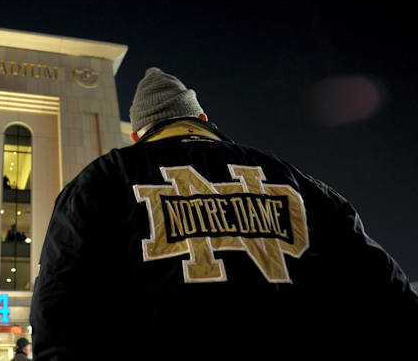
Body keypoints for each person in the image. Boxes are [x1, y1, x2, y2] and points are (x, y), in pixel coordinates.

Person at [29, 68, 418, 359]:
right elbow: (386, 292)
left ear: (138, 134)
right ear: (202, 119)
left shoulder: (103, 179)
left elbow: (60, 305)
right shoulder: (294, 179)